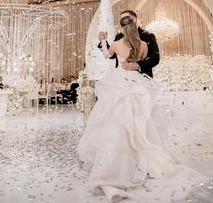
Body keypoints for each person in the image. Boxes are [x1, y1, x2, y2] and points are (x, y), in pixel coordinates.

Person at [78, 16, 208, 203]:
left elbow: (109, 56)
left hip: (120, 84)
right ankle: (141, 156)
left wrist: (103, 41)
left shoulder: (122, 41)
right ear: (136, 24)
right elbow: (146, 57)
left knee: (118, 118)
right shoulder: (143, 44)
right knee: (142, 120)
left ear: (121, 27)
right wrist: (135, 63)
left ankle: (120, 158)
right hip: (139, 84)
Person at [98, 10, 159, 77]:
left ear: (135, 20)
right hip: (121, 78)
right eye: (122, 19)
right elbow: (113, 55)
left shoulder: (147, 35)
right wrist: (103, 41)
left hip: (142, 77)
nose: (125, 21)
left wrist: (138, 65)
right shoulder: (118, 36)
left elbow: (155, 58)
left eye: (126, 18)